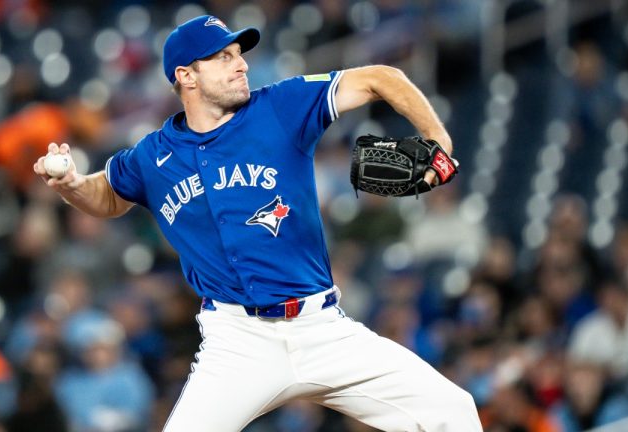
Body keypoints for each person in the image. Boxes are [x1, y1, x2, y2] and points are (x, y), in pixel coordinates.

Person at [34, 15, 481, 432]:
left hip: (321, 326)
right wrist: (71, 182)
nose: (241, 65)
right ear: (186, 76)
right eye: (223, 57)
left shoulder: (280, 108)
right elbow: (107, 197)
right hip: (238, 342)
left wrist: (437, 137)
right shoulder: (151, 156)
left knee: (453, 411)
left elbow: (381, 78)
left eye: (239, 54)